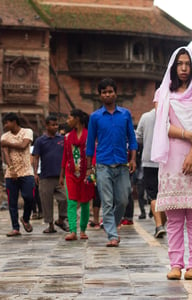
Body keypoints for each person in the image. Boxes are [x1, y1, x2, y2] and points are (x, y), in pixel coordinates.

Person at [151, 47, 192, 280]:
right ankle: (175, 264)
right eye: (179, 64)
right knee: (175, 218)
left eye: (188, 64)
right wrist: (189, 136)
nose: (184, 68)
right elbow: (162, 127)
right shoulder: (163, 94)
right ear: (173, 67)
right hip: (170, 161)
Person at [86, 78, 138, 247]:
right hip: (102, 165)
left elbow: (132, 138)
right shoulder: (95, 117)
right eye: (104, 92)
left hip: (122, 163)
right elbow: (90, 142)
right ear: (100, 95)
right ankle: (112, 235)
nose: (108, 94)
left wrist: (133, 159)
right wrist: (88, 167)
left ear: (115, 93)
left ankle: (112, 225)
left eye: (110, 91)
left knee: (123, 200)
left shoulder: (125, 114)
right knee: (107, 202)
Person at [59, 109, 94, 240]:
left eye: (69, 118)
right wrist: (61, 174)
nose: (67, 121)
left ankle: (83, 230)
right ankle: (73, 231)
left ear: (77, 119)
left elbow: (93, 154)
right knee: (72, 202)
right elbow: (65, 157)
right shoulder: (67, 137)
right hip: (70, 173)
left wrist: (92, 171)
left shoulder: (90, 135)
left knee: (85, 202)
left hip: (86, 173)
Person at [32, 115, 68, 234]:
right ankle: (50, 225)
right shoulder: (40, 141)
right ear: (47, 126)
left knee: (64, 199)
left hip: (60, 176)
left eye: (56, 125)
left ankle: (61, 220)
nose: (55, 127)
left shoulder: (62, 139)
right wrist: (35, 173)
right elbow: (36, 157)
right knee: (46, 202)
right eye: (52, 125)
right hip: (45, 176)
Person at [1, 112, 34, 236]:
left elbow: (23, 145)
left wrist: (8, 144)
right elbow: (5, 153)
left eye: (7, 122)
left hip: (26, 171)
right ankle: (15, 227)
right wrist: (11, 168)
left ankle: (25, 218)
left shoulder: (27, 132)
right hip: (11, 173)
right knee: (12, 201)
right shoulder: (4, 136)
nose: (5, 125)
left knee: (29, 197)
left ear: (14, 122)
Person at [136, 109, 167, 238]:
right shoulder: (171, 115)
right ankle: (160, 225)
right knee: (165, 195)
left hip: (149, 161)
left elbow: (138, 138)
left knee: (153, 195)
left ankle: (159, 225)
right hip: (167, 161)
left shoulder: (145, 116)